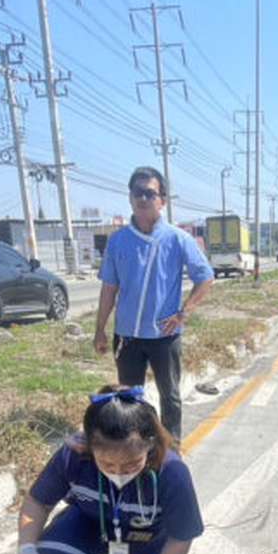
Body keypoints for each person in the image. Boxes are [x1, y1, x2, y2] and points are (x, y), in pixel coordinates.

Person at [17, 385, 203, 554]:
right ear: (90, 447)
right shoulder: (74, 456)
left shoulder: (171, 472)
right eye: (106, 464)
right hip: (93, 524)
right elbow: (38, 501)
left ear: (149, 445)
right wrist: (26, 549)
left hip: (146, 541)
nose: (118, 473)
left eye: (131, 464)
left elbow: (181, 538)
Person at [93, 167, 215, 440]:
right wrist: (100, 329)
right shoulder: (118, 241)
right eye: (138, 192)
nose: (143, 198)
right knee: (129, 398)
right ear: (130, 197)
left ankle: (171, 449)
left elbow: (205, 277)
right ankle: (135, 446)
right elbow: (109, 288)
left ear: (163, 200)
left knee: (169, 396)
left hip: (165, 335)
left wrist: (183, 313)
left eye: (150, 193)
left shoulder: (178, 239)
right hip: (127, 337)